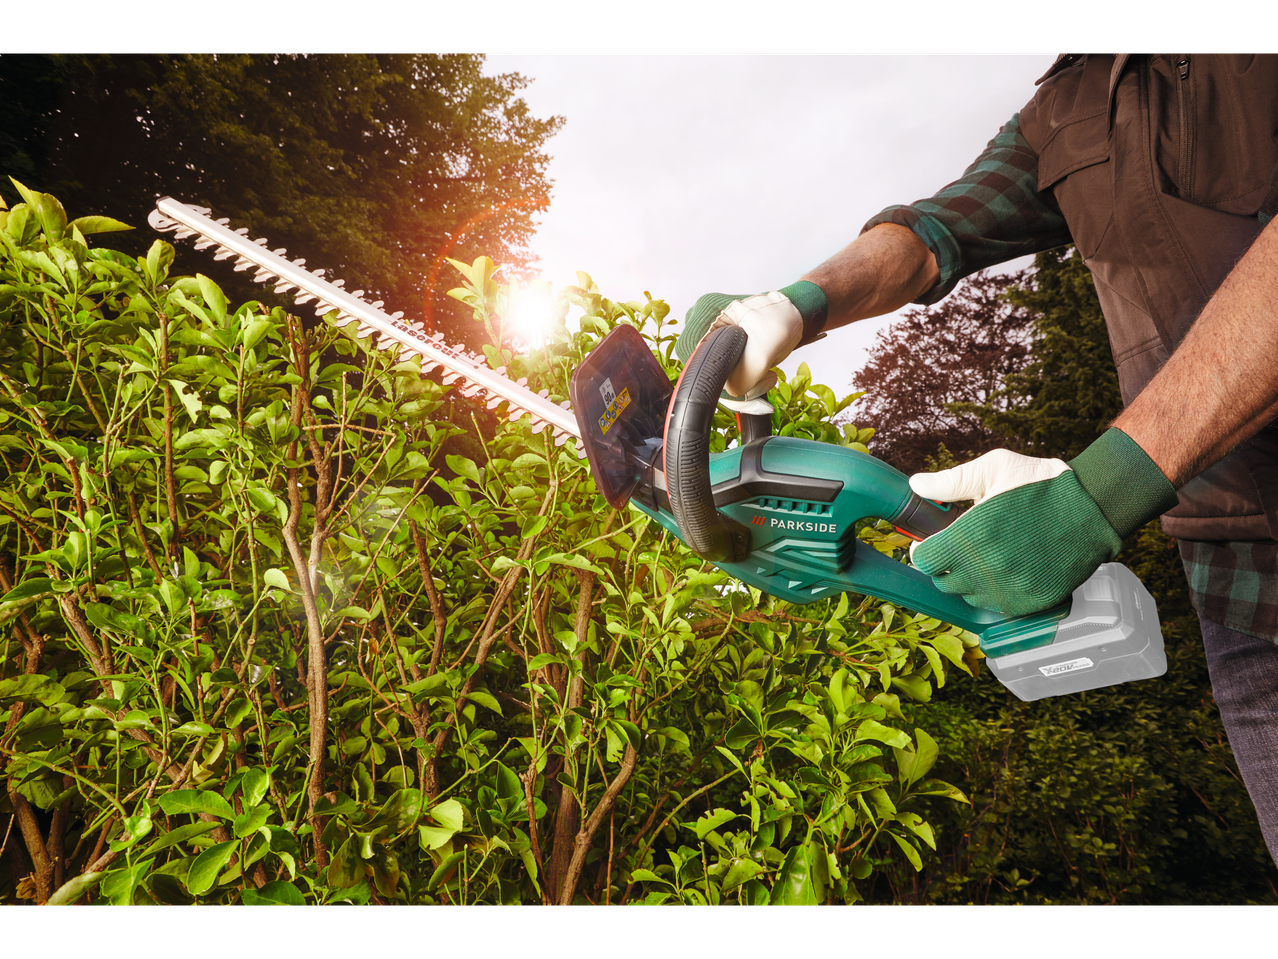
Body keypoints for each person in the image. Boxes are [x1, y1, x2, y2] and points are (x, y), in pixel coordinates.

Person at [675, 52, 1278, 860]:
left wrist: (1100, 492)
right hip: (1243, 589)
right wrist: (793, 305)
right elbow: (930, 235)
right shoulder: (1070, 103)